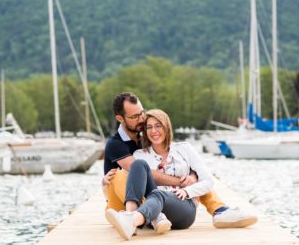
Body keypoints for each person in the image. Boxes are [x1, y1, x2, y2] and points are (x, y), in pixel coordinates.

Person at [102, 92, 257, 231]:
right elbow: (145, 174)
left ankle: (220, 210)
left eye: (142, 113)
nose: (142, 119)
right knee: (123, 174)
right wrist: (183, 182)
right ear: (120, 119)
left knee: (188, 173)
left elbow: (201, 177)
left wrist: (192, 176)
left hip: (162, 199)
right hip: (121, 200)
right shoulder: (116, 144)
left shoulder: (147, 134)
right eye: (135, 117)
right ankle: (141, 216)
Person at [106, 109, 214, 239]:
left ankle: (131, 220)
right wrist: (105, 184)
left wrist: (187, 191)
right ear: (145, 131)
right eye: (149, 127)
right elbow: (129, 184)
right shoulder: (140, 154)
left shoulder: (184, 148)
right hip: (153, 215)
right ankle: (131, 217)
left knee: (158, 194)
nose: (153, 131)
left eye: (158, 126)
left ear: (167, 127)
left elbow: (209, 182)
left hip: (184, 208)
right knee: (138, 164)